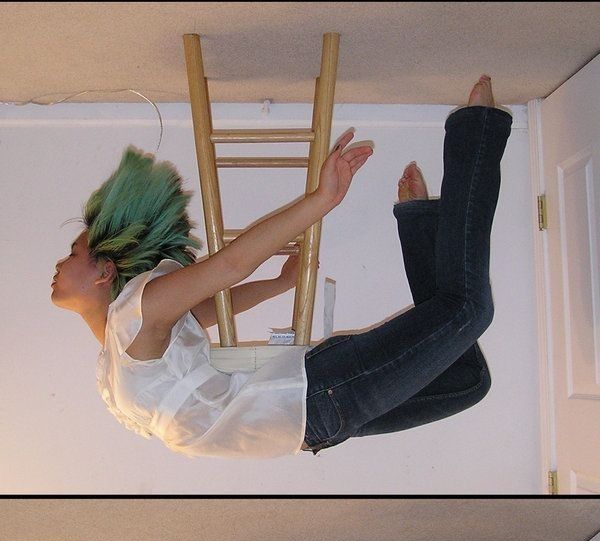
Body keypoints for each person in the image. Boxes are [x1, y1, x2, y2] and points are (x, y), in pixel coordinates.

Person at [52, 76, 511, 459]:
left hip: (316, 396)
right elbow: (212, 310)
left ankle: (478, 129)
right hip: (311, 428)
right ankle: (418, 222)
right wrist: (277, 284)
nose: (59, 263)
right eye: (71, 253)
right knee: (468, 381)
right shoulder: (118, 352)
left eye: (71, 253)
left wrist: (321, 200)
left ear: (105, 273)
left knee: (470, 309)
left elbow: (229, 266)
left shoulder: (138, 312)